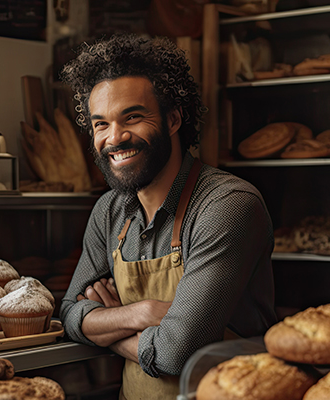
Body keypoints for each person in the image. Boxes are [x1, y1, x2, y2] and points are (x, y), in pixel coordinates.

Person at [59, 34, 276, 400]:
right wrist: (141, 313)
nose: (115, 138)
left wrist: (108, 326)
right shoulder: (109, 212)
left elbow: (176, 353)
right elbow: (68, 314)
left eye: (132, 117)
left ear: (173, 119)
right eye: (101, 124)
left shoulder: (227, 206)